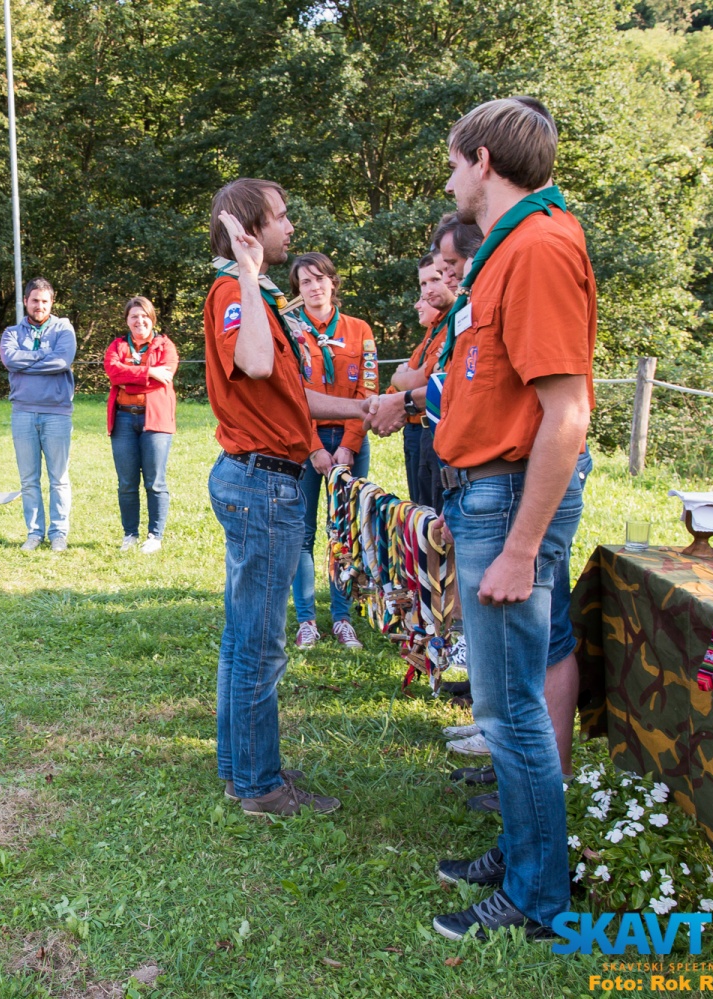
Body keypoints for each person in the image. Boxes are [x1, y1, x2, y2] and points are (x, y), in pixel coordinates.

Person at [421, 97, 595, 942]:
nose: (451, 178)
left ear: (483, 160)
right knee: (505, 701)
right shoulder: (504, 249)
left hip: (509, 498)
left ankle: (537, 896)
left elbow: (567, 413)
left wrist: (522, 548)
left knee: (509, 708)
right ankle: (525, 853)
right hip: (487, 491)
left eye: (456, 162)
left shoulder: (539, 247)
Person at [204, 177, 369, 818]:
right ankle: (259, 786)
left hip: (262, 477)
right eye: (280, 217)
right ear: (249, 229)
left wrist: (366, 407)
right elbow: (253, 363)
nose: (291, 228)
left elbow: (290, 395)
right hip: (262, 482)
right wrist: (248, 274)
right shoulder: (235, 293)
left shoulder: (258, 297)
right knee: (260, 642)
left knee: (244, 635)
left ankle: (241, 766)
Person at [287, 252, 376, 650]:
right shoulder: (290, 332)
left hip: (350, 442)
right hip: (305, 441)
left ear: (333, 282)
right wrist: (313, 448)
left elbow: (367, 390)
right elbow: (290, 395)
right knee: (302, 533)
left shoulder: (359, 329)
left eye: (319, 278)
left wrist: (349, 445)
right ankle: (306, 619)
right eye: (305, 282)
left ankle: (343, 618)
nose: (314, 287)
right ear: (298, 290)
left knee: (344, 532)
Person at [0, 277, 77, 552]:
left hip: (57, 413)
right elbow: (9, 360)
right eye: (34, 300)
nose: (39, 306)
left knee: (59, 478)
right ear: (25, 301)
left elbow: (62, 361)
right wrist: (44, 356)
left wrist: (27, 361)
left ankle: (58, 534)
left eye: (45, 301)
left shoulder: (64, 328)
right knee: (28, 480)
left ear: (52, 302)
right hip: (23, 413)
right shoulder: (11, 333)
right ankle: (34, 533)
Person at [103, 296, 178, 553]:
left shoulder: (165, 346)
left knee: (155, 482)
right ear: (127, 320)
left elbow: (165, 377)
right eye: (134, 316)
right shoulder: (117, 346)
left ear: (152, 318)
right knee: (126, 483)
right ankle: (130, 534)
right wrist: (149, 372)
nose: (139, 321)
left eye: (144, 316)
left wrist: (129, 379)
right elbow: (113, 372)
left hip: (155, 419)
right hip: (123, 419)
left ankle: (155, 536)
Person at [387, 253, 455, 507]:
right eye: (423, 284)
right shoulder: (434, 328)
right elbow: (406, 380)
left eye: (436, 279)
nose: (427, 292)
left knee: (437, 511)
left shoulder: (454, 323)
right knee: (423, 511)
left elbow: (419, 380)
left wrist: (400, 376)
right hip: (421, 430)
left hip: (440, 430)